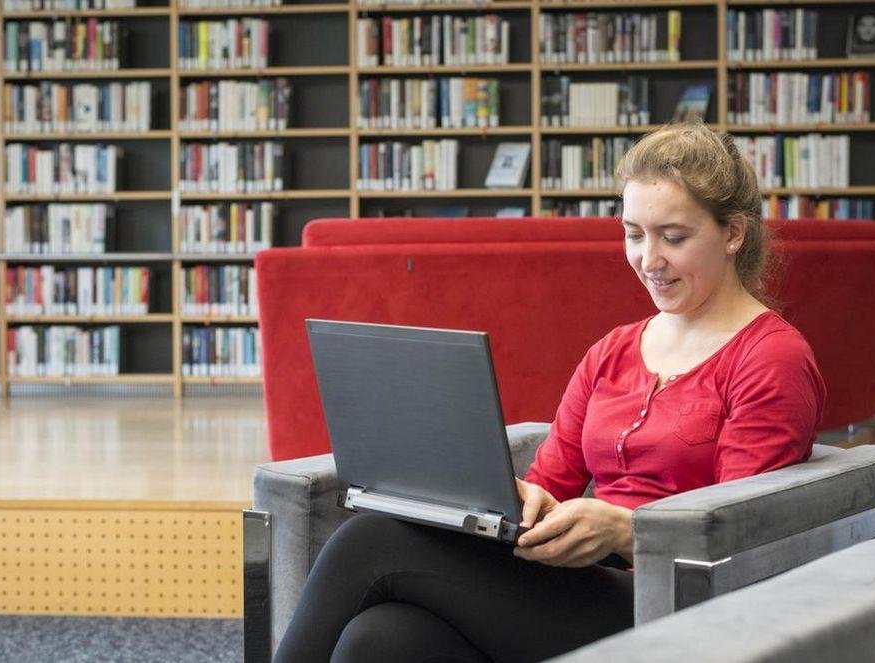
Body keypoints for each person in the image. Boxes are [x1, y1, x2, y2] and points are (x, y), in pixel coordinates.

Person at [272, 123, 827, 663]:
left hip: (680, 604)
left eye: (674, 238)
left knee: (370, 543)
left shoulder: (770, 358)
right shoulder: (612, 351)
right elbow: (547, 485)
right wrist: (506, 503)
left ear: (734, 233)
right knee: (384, 639)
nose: (648, 259)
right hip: (587, 587)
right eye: (634, 234)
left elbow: (743, 540)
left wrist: (627, 532)